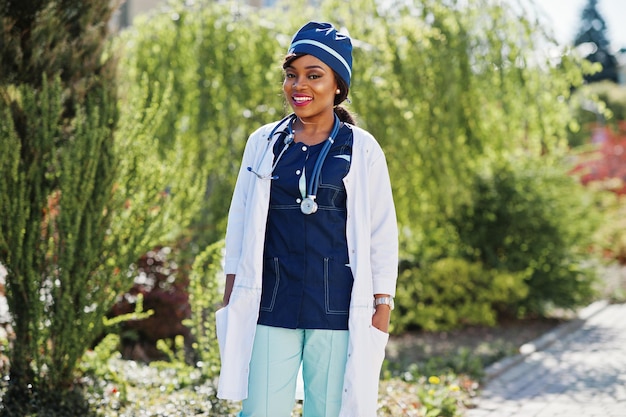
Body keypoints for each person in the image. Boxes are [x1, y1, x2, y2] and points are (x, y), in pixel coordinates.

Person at [216, 21, 398, 417]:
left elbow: (381, 233)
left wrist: (382, 306)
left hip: (336, 308)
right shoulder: (263, 143)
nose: (299, 86)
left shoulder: (362, 149)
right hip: (270, 304)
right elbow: (240, 222)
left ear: (338, 86)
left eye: (314, 76)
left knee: (330, 411)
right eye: (292, 75)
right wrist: (231, 296)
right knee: (261, 410)